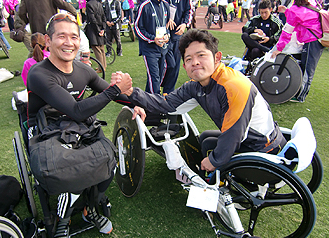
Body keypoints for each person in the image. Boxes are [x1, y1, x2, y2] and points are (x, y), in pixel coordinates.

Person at [26, 13, 145, 238]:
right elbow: (77, 109)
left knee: (110, 159)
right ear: (48, 41)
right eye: (61, 36)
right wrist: (113, 91)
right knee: (75, 169)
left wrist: (134, 104)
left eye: (74, 36)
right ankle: (63, 217)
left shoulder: (83, 70)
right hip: (46, 129)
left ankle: (90, 207)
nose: (69, 42)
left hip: (77, 127)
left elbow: (111, 92)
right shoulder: (39, 73)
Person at [118, 29, 286, 176]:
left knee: (211, 151)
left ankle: (238, 190)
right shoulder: (196, 85)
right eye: (189, 59)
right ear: (184, 66)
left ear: (217, 57)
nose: (195, 62)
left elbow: (234, 134)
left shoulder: (233, 86)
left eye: (201, 55)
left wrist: (214, 161)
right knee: (205, 139)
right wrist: (132, 93)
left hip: (263, 147)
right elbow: (166, 104)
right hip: (248, 139)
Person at [271, 0, 324, 103]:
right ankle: (299, 92)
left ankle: (301, 97)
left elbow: (287, 32)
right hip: (315, 39)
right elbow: (301, 17)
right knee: (306, 66)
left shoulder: (294, 10)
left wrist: (279, 49)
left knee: (308, 70)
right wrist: (287, 12)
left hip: (312, 40)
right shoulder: (311, 3)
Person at [134, 0, 170, 94]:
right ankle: (156, 102)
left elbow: (166, 25)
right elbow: (137, 28)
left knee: (160, 74)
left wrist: (167, 35)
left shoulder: (165, 5)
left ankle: (146, 99)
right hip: (149, 48)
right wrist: (153, 39)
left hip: (162, 48)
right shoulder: (144, 6)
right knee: (154, 77)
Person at [161, 0, 193, 94]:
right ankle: (155, 90)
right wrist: (167, 18)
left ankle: (168, 93)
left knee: (174, 66)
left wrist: (184, 24)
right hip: (162, 36)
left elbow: (189, 11)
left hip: (177, 35)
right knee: (163, 65)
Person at [85, 0, 107, 72]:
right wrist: (103, 29)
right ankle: (104, 65)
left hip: (93, 29)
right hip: (100, 27)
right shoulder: (99, 4)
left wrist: (98, 30)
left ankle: (101, 68)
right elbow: (104, 17)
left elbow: (92, 19)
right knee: (102, 48)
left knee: (96, 48)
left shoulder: (89, 4)